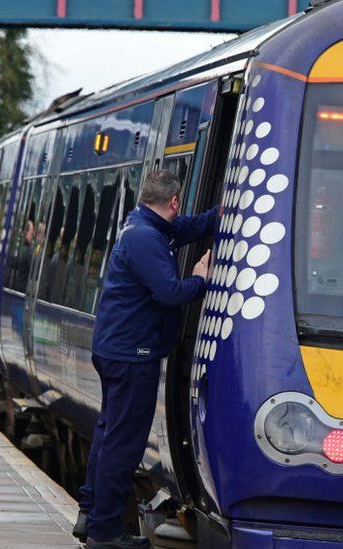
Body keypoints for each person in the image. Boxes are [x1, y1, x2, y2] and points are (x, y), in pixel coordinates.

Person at [76, 170, 216, 549]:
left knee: (110, 434)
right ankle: (105, 532)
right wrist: (201, 278)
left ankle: (90, 513)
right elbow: (170, 293)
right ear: (174, 201)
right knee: (124, 443)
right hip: (132, 355)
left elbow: (185, 227)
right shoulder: (146, 239)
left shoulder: (141, 224)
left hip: (118, 350)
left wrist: (222, 213)